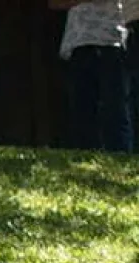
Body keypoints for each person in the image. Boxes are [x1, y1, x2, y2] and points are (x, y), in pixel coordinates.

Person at [51, 0, 133, 152]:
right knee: (82, 108)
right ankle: (86, 153)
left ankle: (120, 154)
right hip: (78, 43)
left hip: (110, 40)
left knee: (114, 107)